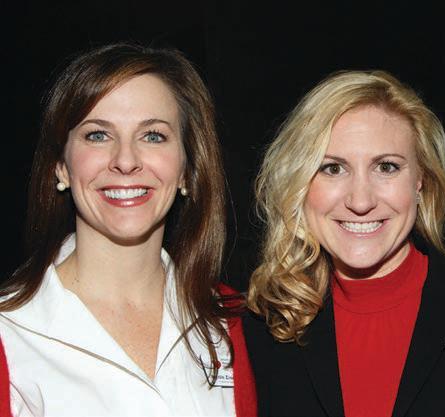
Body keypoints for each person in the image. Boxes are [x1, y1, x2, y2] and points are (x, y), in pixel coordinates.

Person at [243, 70, 445, 416]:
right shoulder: (261, 328)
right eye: (333, 168)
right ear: (301, 183)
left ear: (420, 181)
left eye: (386, 167)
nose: (360, 201)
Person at [0, 43, 256, 416]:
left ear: (187, 169)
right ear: (61, 166)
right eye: (97, 135)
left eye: (153, 135)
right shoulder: (12, 331)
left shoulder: (234, 323)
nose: (125, 160)